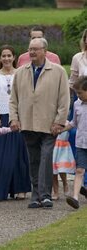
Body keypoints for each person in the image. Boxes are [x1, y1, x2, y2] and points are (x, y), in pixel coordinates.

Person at [9, 38, 70, 209]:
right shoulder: (20, 72)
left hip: (49, 124)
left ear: (45, 51)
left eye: (35, 49)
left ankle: (45, 195)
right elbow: (13, 99)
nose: (32, 52)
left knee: (46, 157)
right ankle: (35, 196)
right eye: (30, 49)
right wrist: (14, 118)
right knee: (34, 160)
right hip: (28, 123)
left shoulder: (58, 71)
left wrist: (59, 121)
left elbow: (65, 100)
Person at [0, 44, 31, 201]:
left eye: (9, 56)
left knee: (19, 154)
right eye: (3, 56)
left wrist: (20, 115)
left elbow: (25, 94)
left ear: (14, 57)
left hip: (18, 117)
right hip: (0, 118)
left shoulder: (20, 73)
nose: (6, 58)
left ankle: (20, 188)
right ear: (0, 58)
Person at [62, 76, 87, 209]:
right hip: (81, 144)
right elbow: (73, 123)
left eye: (80, 93)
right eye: (77, 93)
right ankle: (75, 197)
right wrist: (62, 129)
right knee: (79, 170)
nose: (78, 96)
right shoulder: (77, 104)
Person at [68, 29, 87, 187]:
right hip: (80, 99)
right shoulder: (77, 58)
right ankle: (82, 179)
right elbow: (72, 82)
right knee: (76, 134)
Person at [52, 121, 76, 200]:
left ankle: (65, 183)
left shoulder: (66, 122)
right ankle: (56, 192)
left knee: (62, 169)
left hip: (63, 148)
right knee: (53, 171)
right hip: (52, 147)